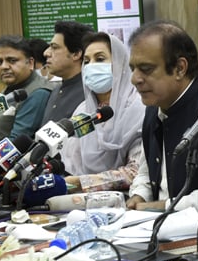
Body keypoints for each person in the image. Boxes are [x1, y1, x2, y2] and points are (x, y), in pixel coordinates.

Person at [126, 20, 198, 212]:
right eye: (132, 68)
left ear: (179, 68)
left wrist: (162, 206)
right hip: (151, 227)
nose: (135, 79)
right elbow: (146, 170)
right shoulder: (154, 107)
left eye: (146, 69)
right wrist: (139, 195)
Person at [61, 32, 145, 192]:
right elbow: (71, 162)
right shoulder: (84, 111)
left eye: (100, 59)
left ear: (119, 64)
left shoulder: (138, 108)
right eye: (86, 61)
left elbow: (135, 172)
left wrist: (80, 183)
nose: (91, 66)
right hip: (80, 201)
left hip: (129, 201)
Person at [0, 36, 52, 143]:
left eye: (12, 61)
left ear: (30, 63)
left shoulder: (38, 92)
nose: (4, 66)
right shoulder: (9, 90)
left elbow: (16, 142)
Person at [41, 21, 92, 124]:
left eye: (54, 47)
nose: (46, 53)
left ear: (76, 54)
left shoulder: (89, 92)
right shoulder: (56, 90)